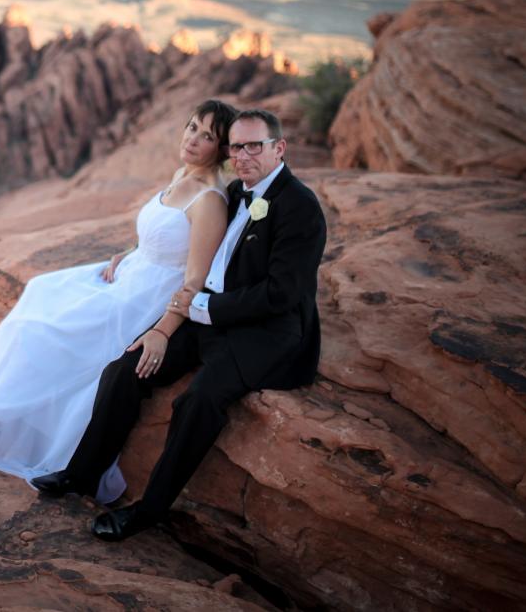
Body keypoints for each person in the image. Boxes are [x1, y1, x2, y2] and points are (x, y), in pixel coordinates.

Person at [29, 108, 326, 541]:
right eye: (236, 147)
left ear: (279, 148)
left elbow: (283, 294)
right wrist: (135, 255)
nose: (243, 155)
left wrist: (207, 308)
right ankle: (82, 474)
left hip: (265, 332)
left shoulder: (299, 206)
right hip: (211, 314)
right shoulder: (237, 191)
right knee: (126, 368)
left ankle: (149, 511)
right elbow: (181, 233)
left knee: (198, 402)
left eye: (254, 146)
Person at [0, 100, 237, 501]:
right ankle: (2, 414)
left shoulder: (210, 199)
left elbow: (195, 276)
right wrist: (131, 251)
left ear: (221, 149)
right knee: (41, 290)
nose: (193, 139)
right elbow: (166, 234)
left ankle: (25, 429)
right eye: (193, 127)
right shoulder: (183, 173)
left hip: (147, 297)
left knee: (45, 330)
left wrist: (163, 330)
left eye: (207, 136)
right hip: (133, 272)